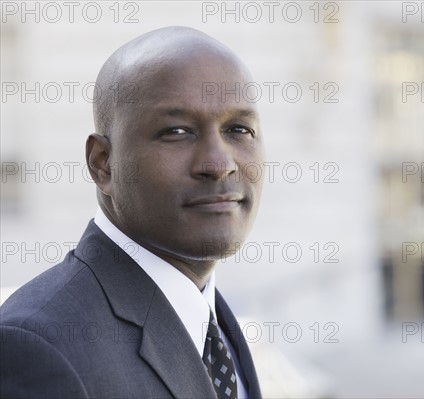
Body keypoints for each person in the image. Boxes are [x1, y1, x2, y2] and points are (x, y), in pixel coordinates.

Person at [0, 26, 264, 399]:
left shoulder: (215, 327)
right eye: (177, 131)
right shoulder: (37, 347)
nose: (219, 164)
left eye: (238, 129)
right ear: (103, 164)